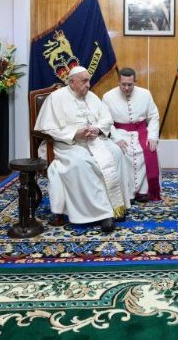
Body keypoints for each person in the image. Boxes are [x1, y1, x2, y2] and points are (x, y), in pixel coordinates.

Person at [34, 66, 134, 233]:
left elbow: (106, 118)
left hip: (95, 141)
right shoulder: (56, 98)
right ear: (72, 82)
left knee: (116, 152)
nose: (88, 85)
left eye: (89, 80)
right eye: (84, 81)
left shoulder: (92, 97)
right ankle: (100, 214)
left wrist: (97, 128)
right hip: (68, 145)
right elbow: (47, 129)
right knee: (82, 162)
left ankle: (117, 206)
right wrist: (74, 134)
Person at [102, 67, 162, 203]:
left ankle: (144, 191)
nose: (127, 88)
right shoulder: (108, 96)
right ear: (118, 82)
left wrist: (152, 136)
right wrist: (116, 138)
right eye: (123, 84)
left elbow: (153, 116)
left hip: (141, 131)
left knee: (149, 149)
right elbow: (105, 121)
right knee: (123, 151)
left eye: (130, 84)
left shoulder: (145, 94)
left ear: (135, 81)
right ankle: (127, 193)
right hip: (119, 132)